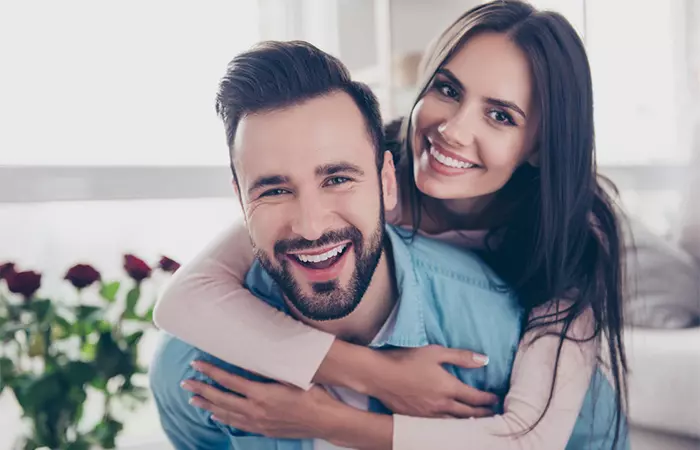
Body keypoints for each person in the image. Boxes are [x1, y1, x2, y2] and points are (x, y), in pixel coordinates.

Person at [153, 1, 630, 448]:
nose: (454, 130)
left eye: (500, 115)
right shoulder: (366, 170)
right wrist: (372, 373)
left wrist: (325, 420)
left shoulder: (573, 232)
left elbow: (532, 437)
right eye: (447, 89)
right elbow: (186, 298)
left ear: (540, 146)